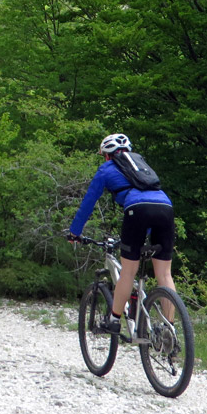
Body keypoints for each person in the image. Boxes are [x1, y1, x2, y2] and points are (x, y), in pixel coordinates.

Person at [67, 132, 176, 337]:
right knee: (164, 274)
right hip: (166, 208)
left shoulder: (107, 168)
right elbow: (151, 201)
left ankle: (114, 320)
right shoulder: (141, 165)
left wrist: (75, 232)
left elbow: (88, 203)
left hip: (137, 210)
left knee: (128, 270)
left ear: (107, 155)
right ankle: (170, 329)